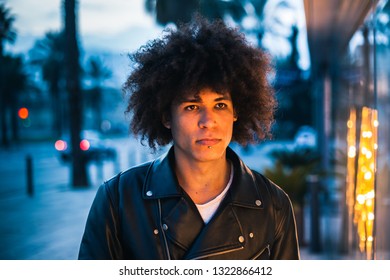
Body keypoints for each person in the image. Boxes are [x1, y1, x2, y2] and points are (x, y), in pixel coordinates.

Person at [78, 17, 300, 260]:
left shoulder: (274, 206)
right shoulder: (118, 201)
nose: (208, 121)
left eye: (220, 104)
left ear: (236, 112)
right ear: (166, 116)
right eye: (192, 107)